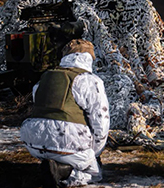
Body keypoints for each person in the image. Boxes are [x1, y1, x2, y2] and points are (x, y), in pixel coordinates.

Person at [20, 39, 110, 188]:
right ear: (89, 58)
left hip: (33, 141)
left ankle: (49, 165)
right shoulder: (90, 80)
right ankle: (64, 172)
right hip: (67, 141)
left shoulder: (45, 77)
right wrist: (94, 153)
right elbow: (101, 119)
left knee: (56, 150)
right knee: (94, 173)